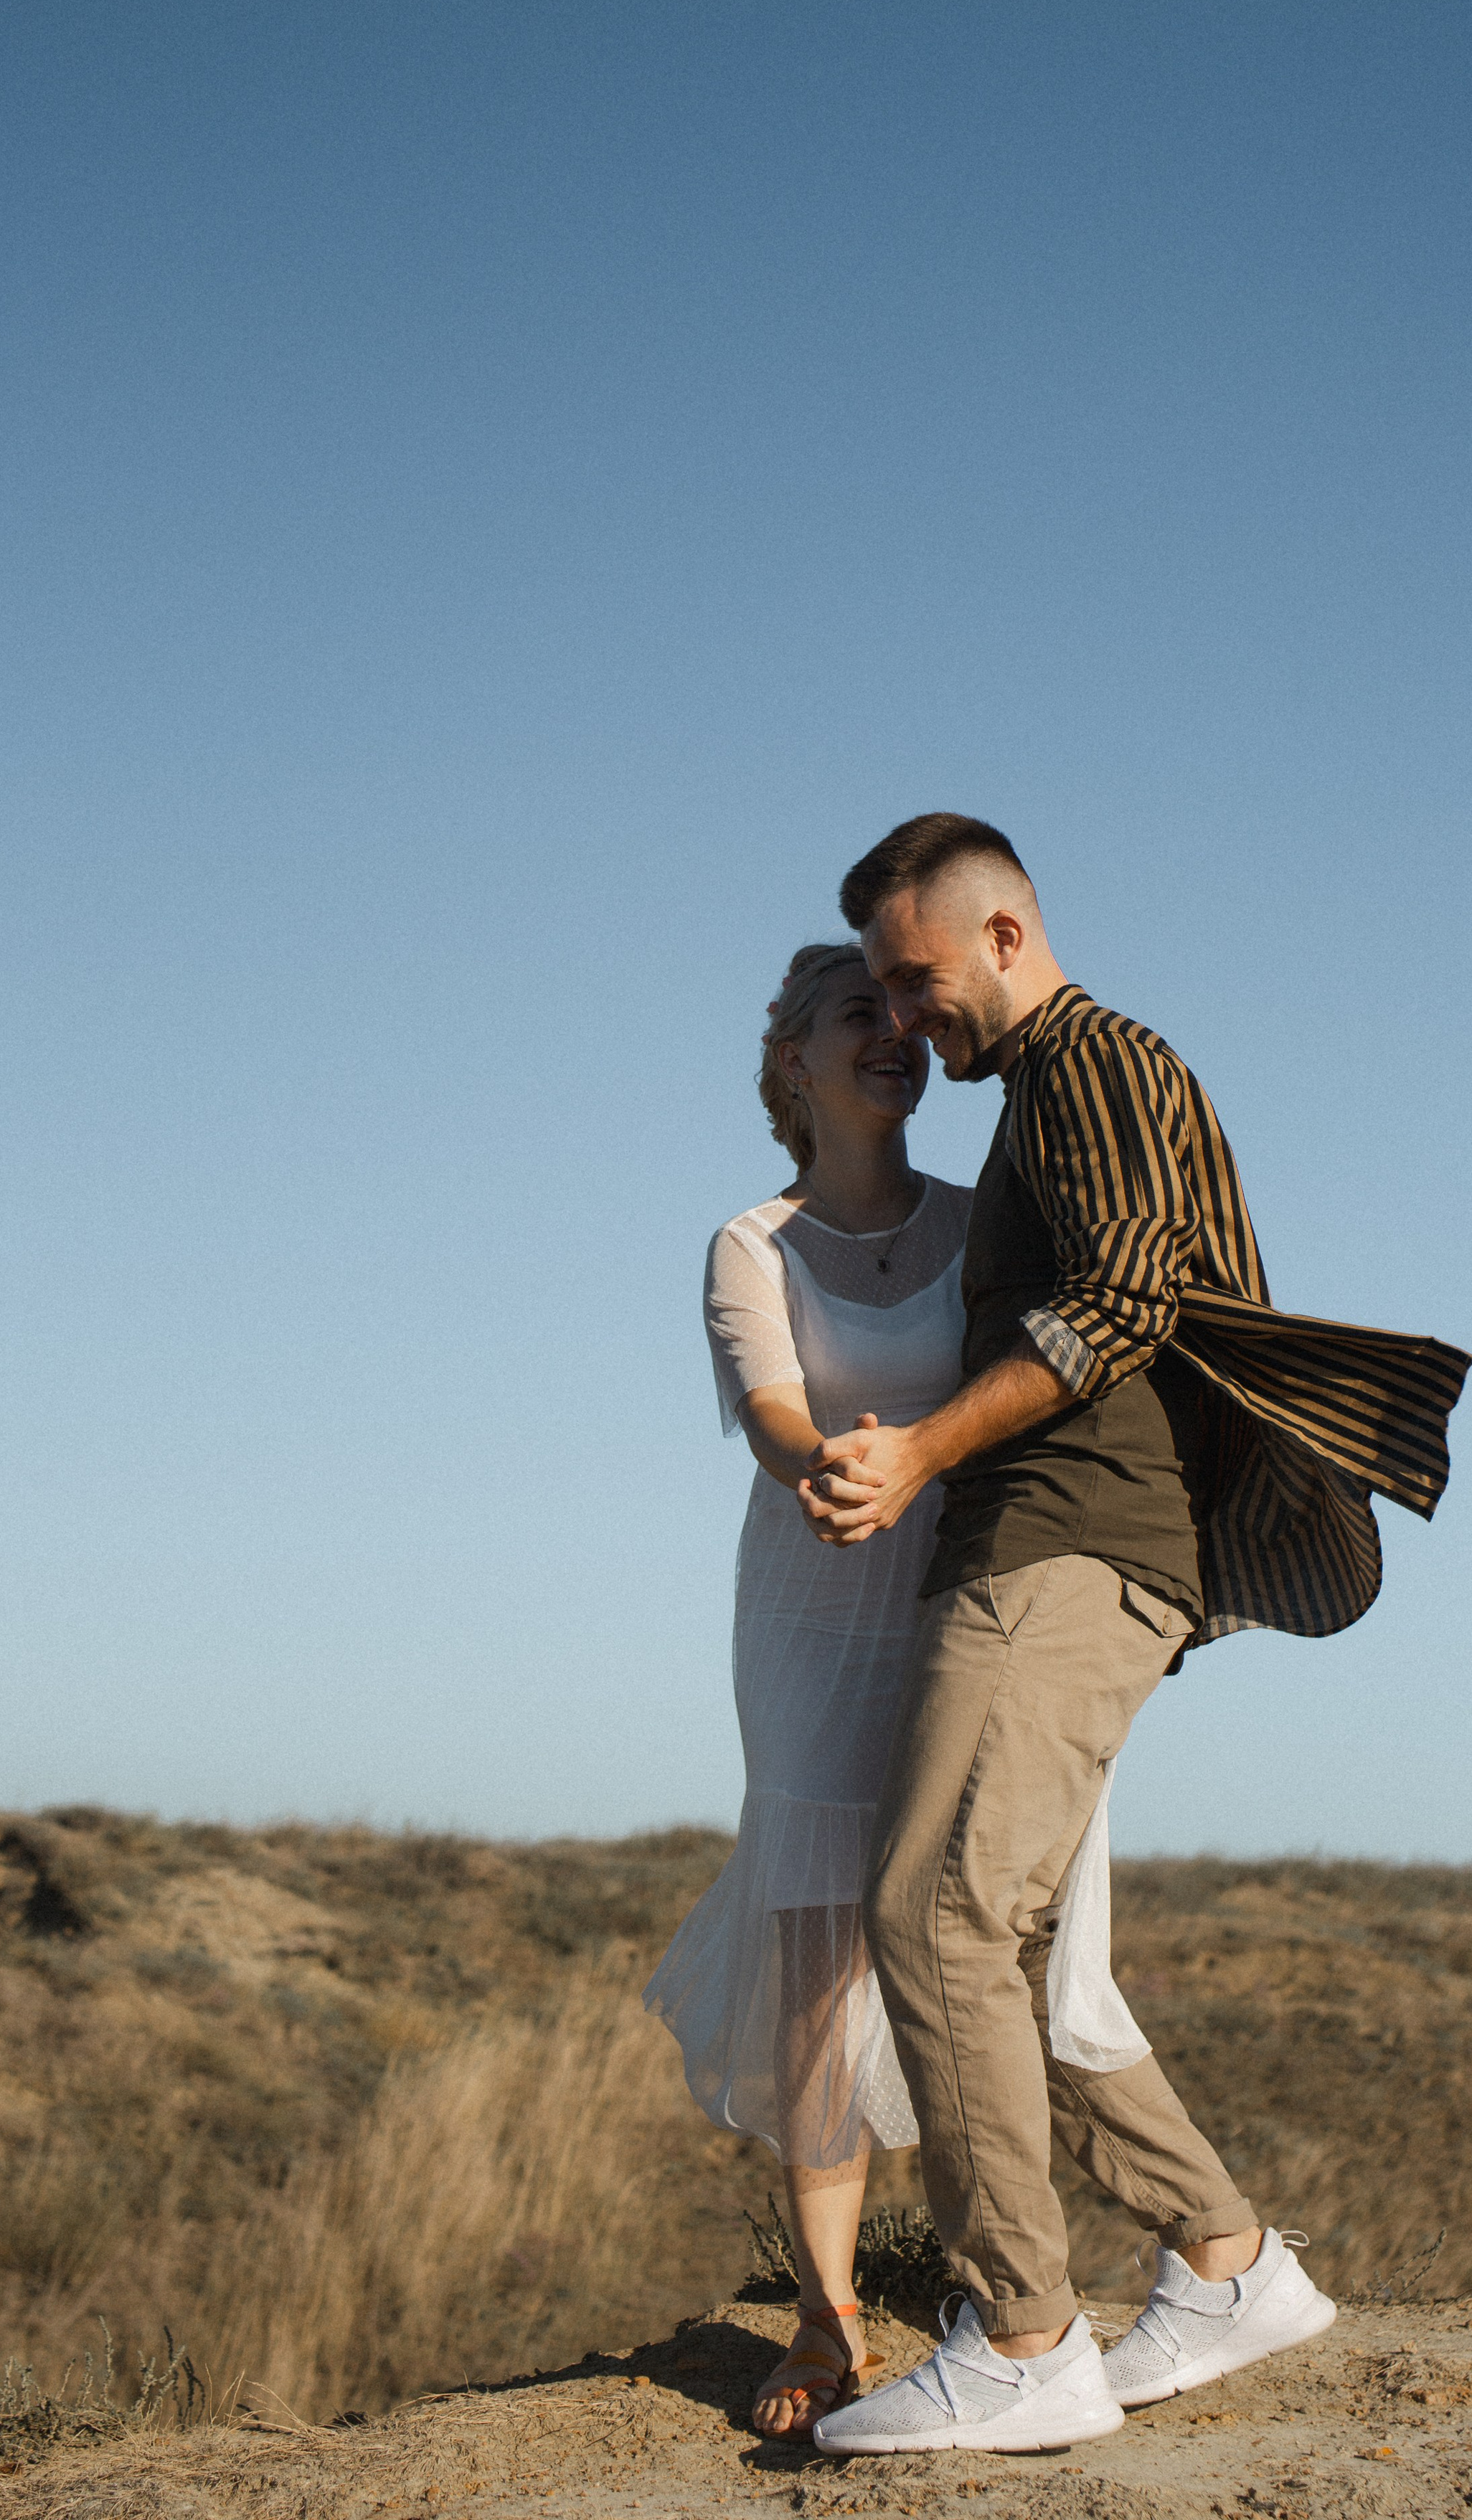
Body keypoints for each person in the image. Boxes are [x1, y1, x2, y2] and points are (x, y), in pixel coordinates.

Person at [803, 814, 1471, 2460]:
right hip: (1062, 1552)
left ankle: (1023, 2339)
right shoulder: (1045, 1092)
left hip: (1064, 1542)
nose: (902, 1021)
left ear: (1006, 935)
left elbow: (1119, 1302)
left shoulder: (1094, 1062)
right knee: (1010, 1946)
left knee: (932, 1915)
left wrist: (921, 1452)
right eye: (879, 997)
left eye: (916, 979)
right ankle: (1226, 2262)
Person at [643, 943, 973, 2437]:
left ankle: (998, 2280)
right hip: (808, 1611)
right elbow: (771, 1408)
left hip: (968, 1607)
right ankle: (826, 2316)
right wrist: (832, 1467)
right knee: (817, 1959)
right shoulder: (747, 1241)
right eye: (860, 1014)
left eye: (905, 1014)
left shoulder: (987, 1224)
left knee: (980, 1927)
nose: (893, 1035)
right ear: (792, 1061)